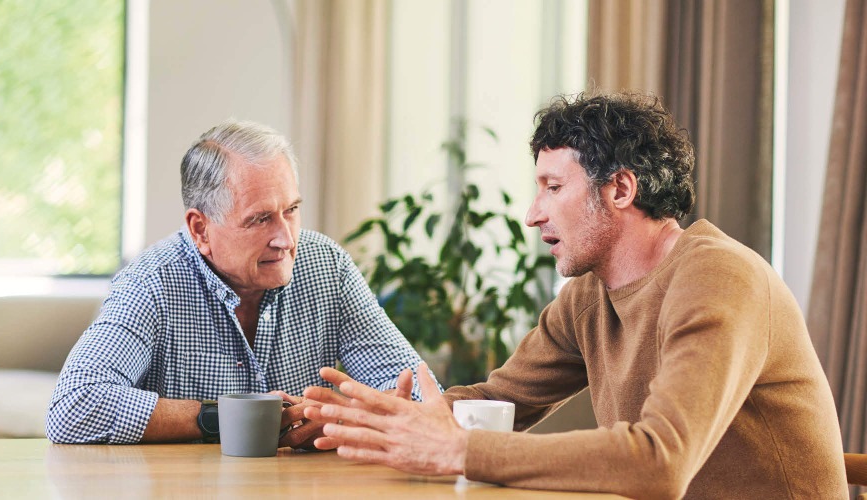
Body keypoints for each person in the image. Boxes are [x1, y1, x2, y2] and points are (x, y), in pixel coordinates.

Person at [302, 93, 848, 499]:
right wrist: (396, 419)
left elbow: (661, 460)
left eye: (553, 188)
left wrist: (458, 448)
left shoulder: (718, 278)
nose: (532, 213)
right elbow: (502, 404)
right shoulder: (589, 297)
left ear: (620, 189)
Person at [46, 119, 425, 447]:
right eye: (260, 219)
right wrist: (227, 417)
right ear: (201, 229)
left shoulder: (327, 265)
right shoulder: (150, 281)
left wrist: (345, 419)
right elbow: (74, 405)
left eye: (291, 210)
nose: (286, 239)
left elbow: (421, 391)